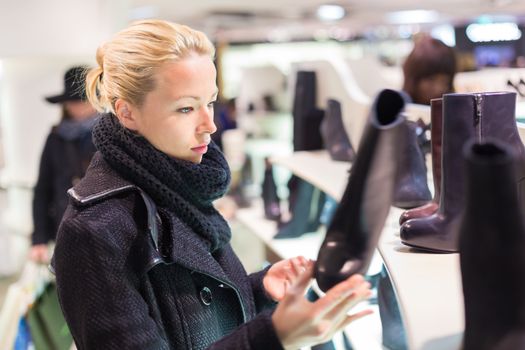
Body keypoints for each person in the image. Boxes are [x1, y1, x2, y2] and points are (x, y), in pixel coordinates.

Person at [51, 19, 372, 349]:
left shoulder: (180, 185)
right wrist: (273, 337)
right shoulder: (93, 231)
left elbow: (188, 311)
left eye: (211, 102)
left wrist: (259, 288)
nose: (210, 125)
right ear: (127, 113)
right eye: (186, 108)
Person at [30, 66, 98, 263]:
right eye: (73, 101)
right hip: (66, 224)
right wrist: (39, 238)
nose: (77, 106)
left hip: (104, 224)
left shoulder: (111, 135)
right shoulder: (56, 138)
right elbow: (42, 189)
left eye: (82, 100)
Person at [402, 34, 457, 105]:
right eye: (431, 80)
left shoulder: (453, 108)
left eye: (444, 81)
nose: (438, 89)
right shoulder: (399, 111)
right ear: (413, 79)